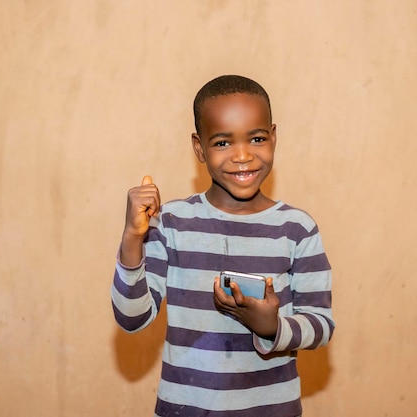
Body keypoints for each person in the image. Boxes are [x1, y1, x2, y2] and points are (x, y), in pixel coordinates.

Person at [111, 75, 334, 417]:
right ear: (199, 148)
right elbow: (132, 318)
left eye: (257, 138)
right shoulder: (171, 223)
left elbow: (321, 325)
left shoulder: (297, 229)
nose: (243, 156)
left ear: (273, 138)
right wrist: (131, 237)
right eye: (222, 143)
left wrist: (271, 326)